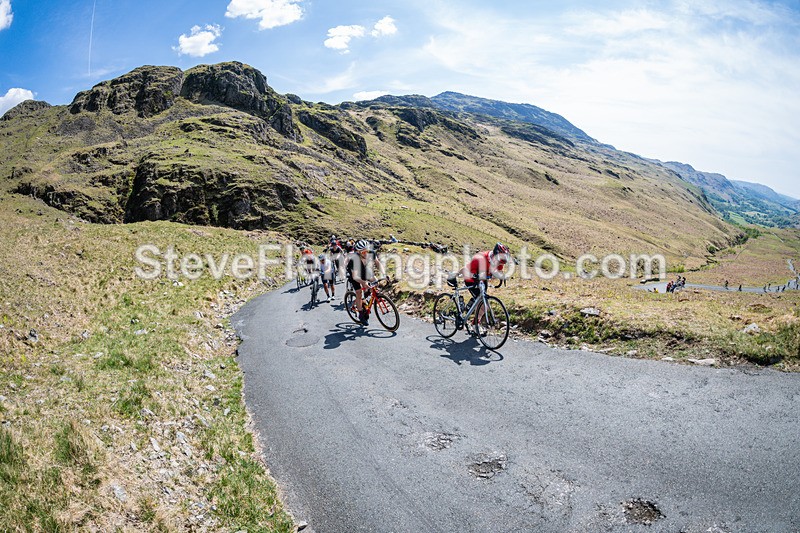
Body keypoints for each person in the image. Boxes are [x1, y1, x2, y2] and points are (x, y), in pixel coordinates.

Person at [460, 243, 510, 333]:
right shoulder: (479, 258)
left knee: (482, 303)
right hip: (471, 280)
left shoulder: (500, 261)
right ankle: (474, 322)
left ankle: (474, 321)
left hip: (483, 280)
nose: (499, 264)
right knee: (483, 305)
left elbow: (498, 271)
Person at [346, 239, 382, 325]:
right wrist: (363, 282)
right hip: (355, 276)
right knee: (359, 293)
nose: (365, 253)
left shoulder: (371, 253)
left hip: (364, 270)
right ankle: (361, 314)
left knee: (375, 281)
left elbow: (378, 263)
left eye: (367, 251)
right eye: (363, 252)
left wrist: (384, 274)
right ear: (358, 252)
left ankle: (367, 296)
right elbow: (355, 277)